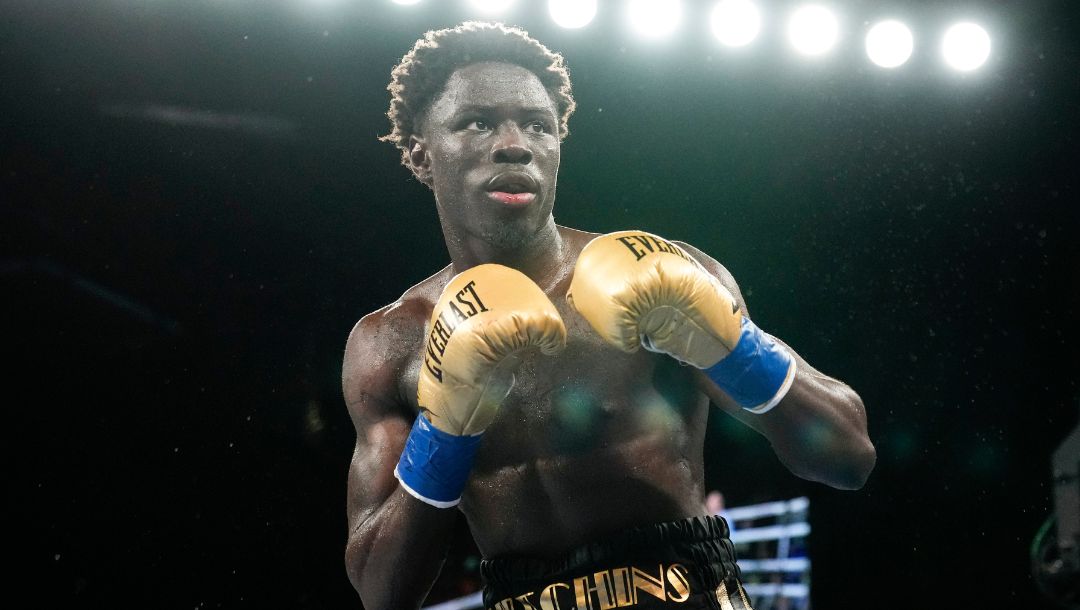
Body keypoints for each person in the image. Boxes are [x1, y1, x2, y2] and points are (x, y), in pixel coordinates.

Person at [341, 21, 876, 610]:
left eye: (538, 125)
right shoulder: (393, 341)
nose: (516, 144)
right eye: (479, 122)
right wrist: (444, 428)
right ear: (421, 153)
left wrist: (734, 349)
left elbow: (848, 456)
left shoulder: (661, 274)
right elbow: (381, 592)